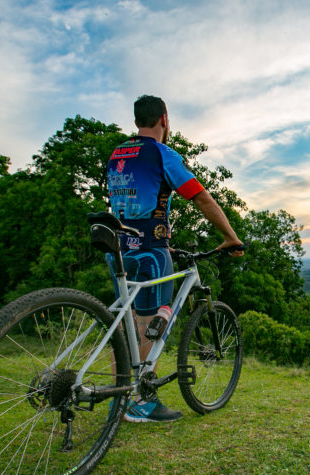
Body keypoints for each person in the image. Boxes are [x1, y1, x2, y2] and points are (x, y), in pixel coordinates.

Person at [106, 94, 243, 422]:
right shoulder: (161, 153)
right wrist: (231, 237)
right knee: (152, 322)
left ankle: (118, 398)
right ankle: (140, 402)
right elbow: (203, 198)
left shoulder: (118, 153)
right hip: (150, 251)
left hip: (118, 248)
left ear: (138, 119)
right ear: (164, 119)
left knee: (126, 324)